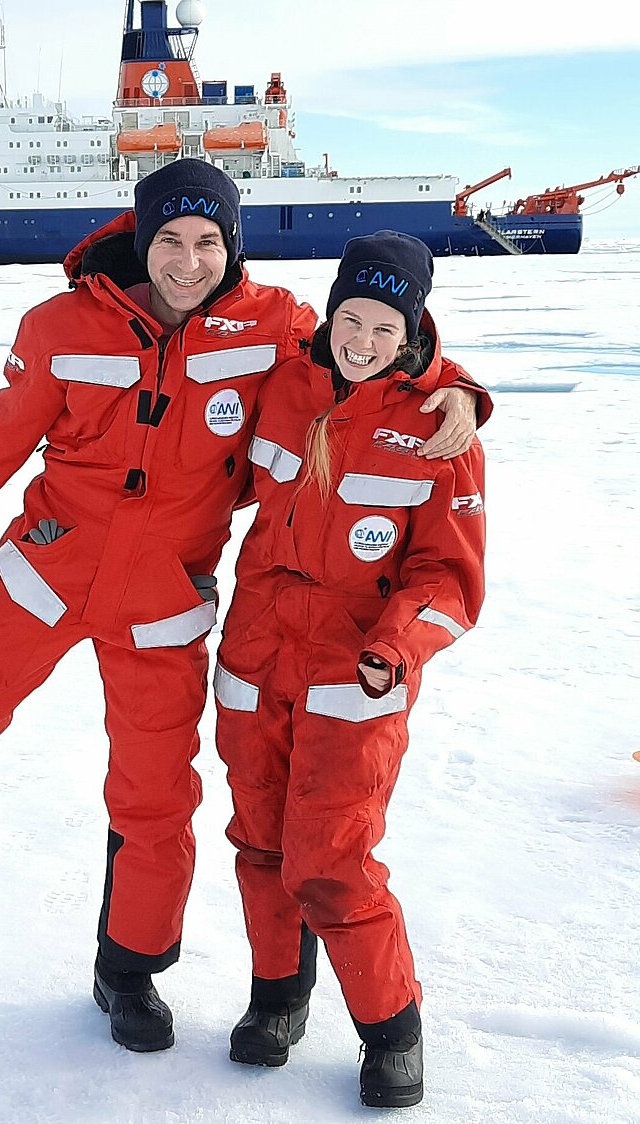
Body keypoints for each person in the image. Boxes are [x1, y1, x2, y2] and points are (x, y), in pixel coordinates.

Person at [0, 160, 484, 1053]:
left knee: (155, 798)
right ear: (143, 241)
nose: (188, 262)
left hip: (164, 604)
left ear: (233, 247)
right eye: (171, 241)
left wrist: (458, 389)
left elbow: (375, 349)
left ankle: (127, 972)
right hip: (45, 576)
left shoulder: (272, 325)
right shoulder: (61, 326)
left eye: (209, 242)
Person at [213, 231, 486, 1107]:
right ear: (330, 313)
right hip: (259, 649)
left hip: (356, 667)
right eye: (350, 319)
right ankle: (278, 999)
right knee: (259, 842)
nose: (361, 341)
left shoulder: (439, 428)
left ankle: (390, 1027)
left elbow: (452, 578)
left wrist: (395, 648)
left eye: (382, 326)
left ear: (409, 331)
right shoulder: (285, 379)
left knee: (332, 857)